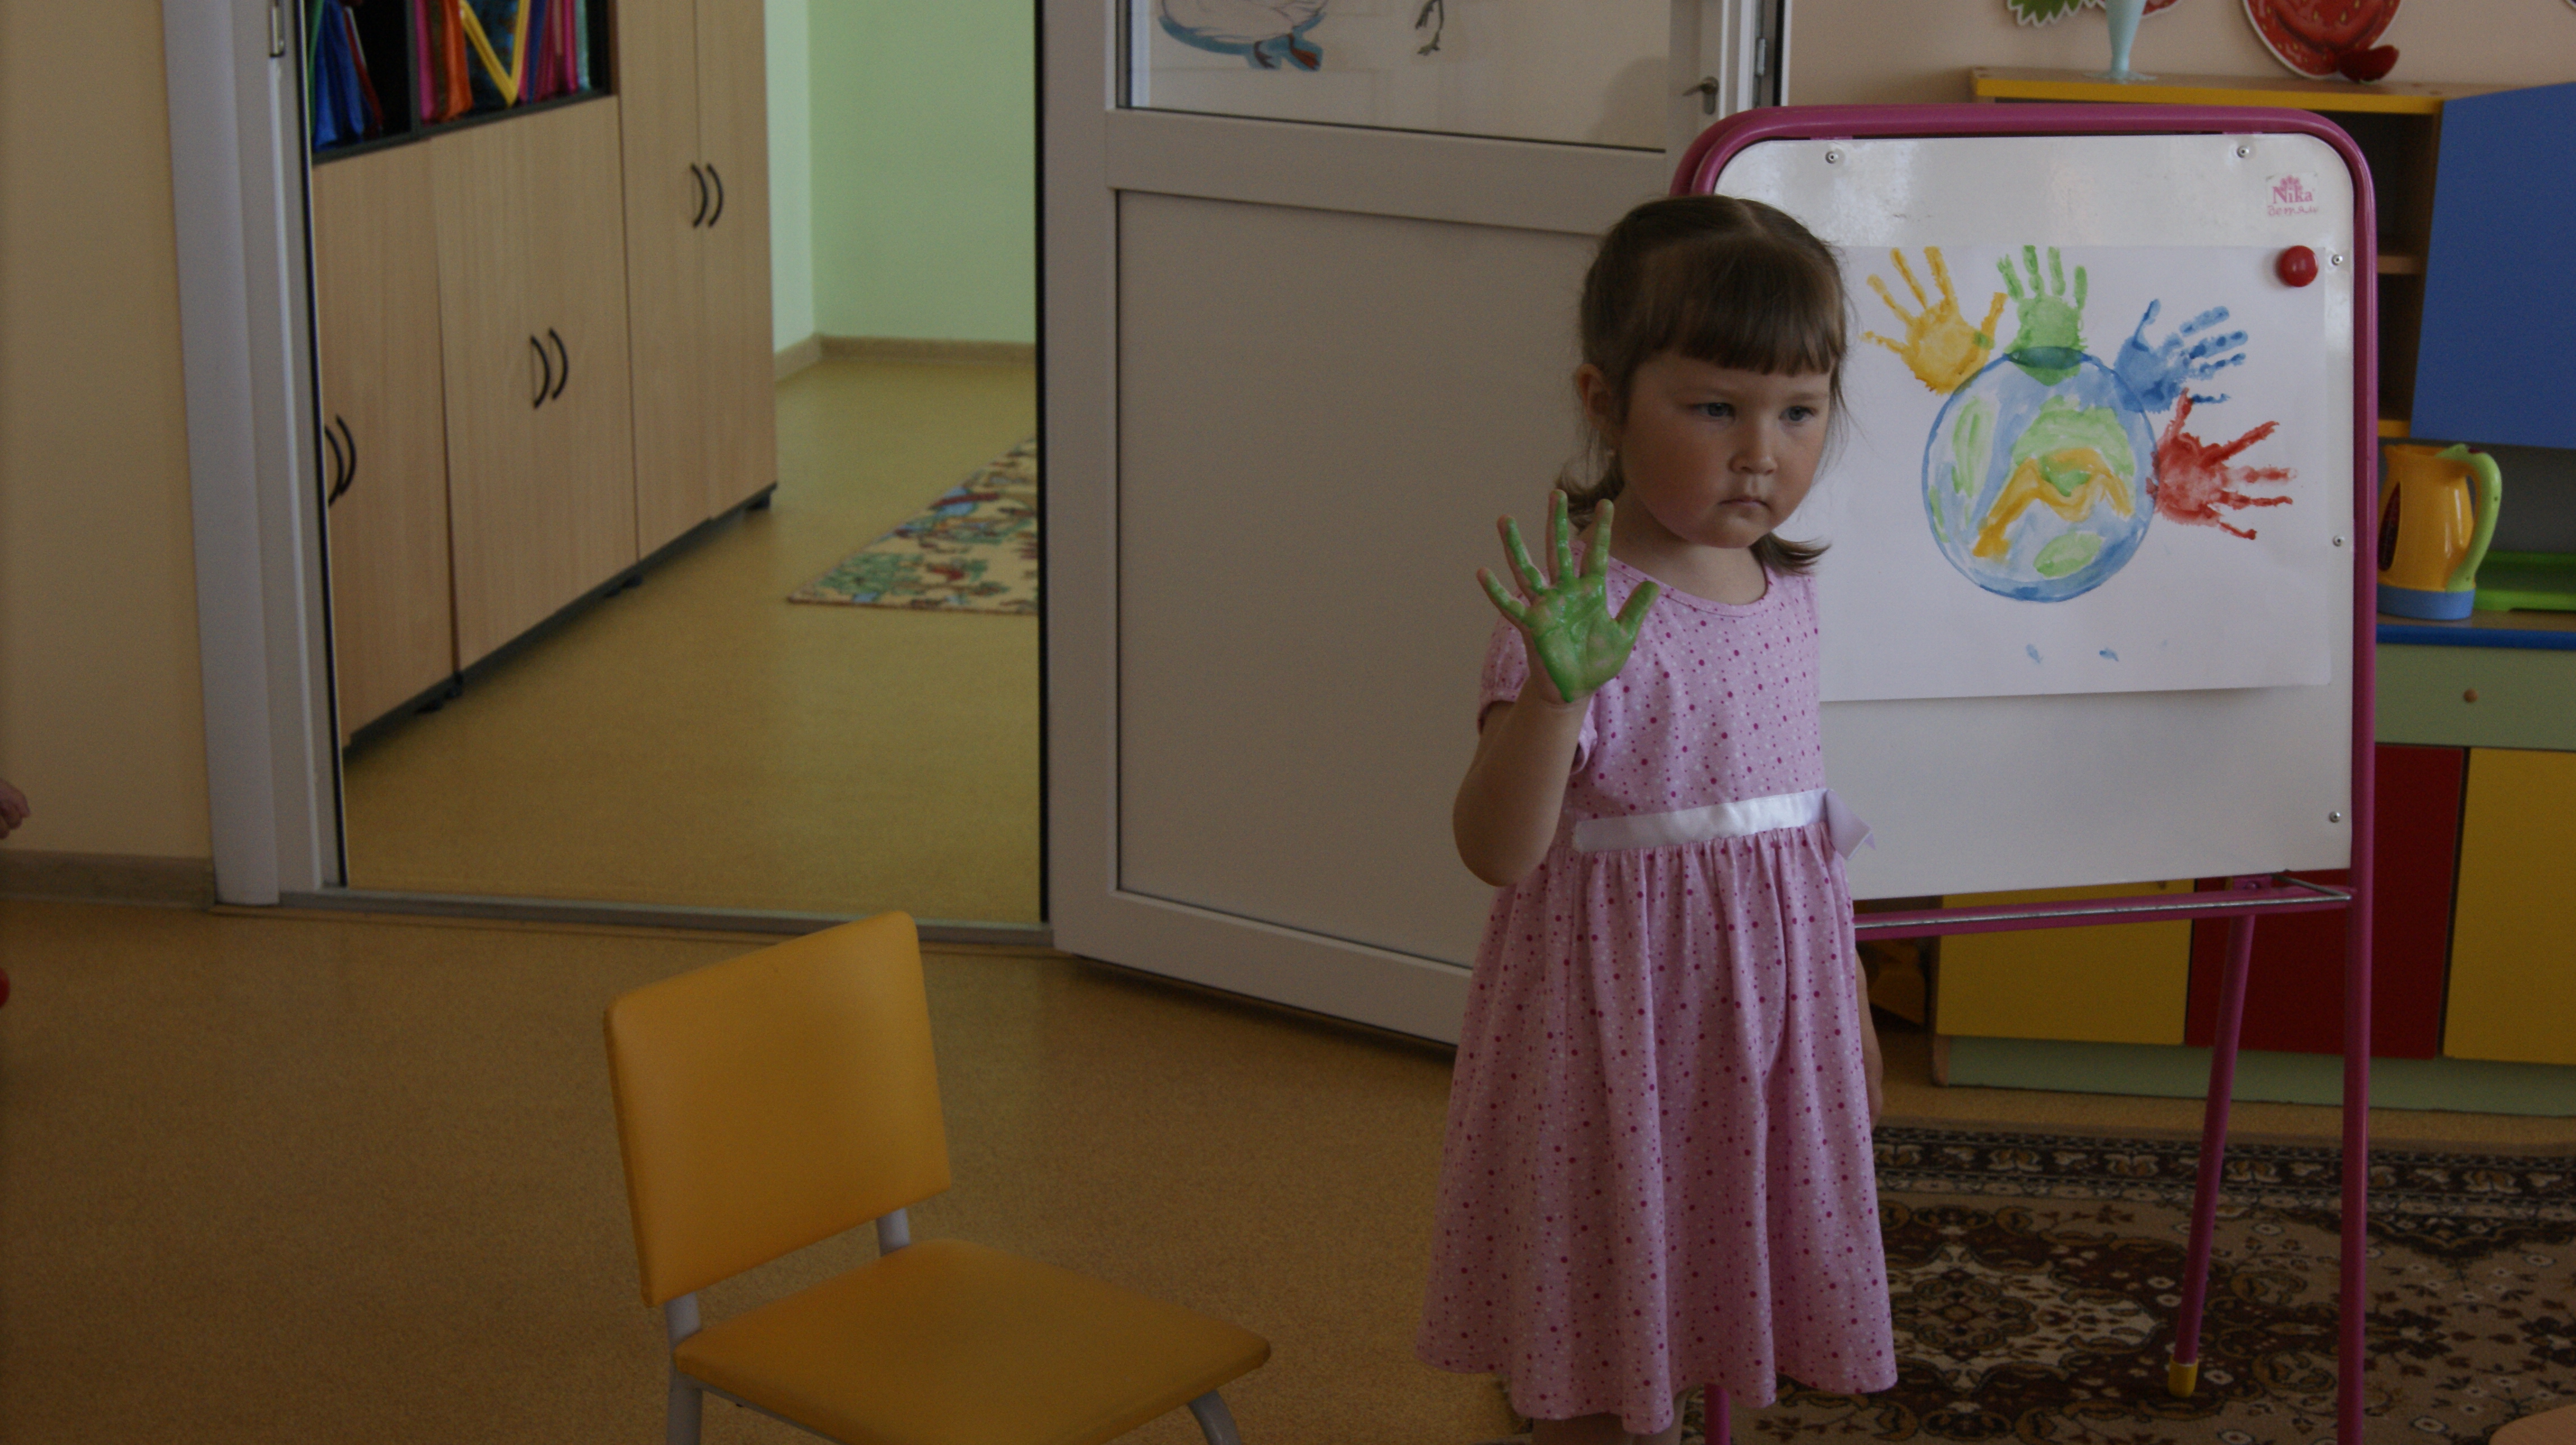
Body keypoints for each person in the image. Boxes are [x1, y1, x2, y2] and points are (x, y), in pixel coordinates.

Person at [1418, 195, 1894, 1445]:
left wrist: (1845, 1001)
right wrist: (1554, 698)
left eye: (1800, 411)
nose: (1763, 453)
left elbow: (1801, 833)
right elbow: (1496, 850)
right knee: (1600, 1299)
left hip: (1763, 1019)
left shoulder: (1784, 592)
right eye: (1715, 408)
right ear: (1604, 401)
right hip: (1613, 1027)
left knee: (1721, 1268)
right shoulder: (1578, 613)